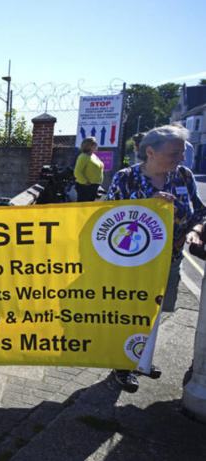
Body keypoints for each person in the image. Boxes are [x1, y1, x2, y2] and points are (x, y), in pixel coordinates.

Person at [106, 124, 206, 392]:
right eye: (175, 153)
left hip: (170, 260)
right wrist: (147, 202)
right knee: (130, 313)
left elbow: (199, 212)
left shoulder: (183, 176)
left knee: (156, 310)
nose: (182, 159)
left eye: (182, 153)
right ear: (150, 152)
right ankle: (123, 364)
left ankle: (142, 357)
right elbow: (106, 217)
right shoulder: (125, 178)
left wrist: (194, 232)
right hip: (132, 264)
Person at [74, 137, 104, 202]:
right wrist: (85, 182)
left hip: (94, 186)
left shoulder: (93, 155)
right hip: (86, 187)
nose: (96, 145)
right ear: (89, 146)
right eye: (94, 144)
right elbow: (77, 172)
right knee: (84, 207)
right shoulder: (83, 157)